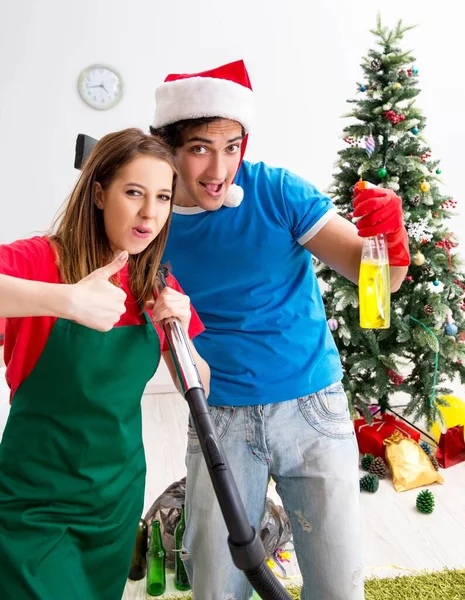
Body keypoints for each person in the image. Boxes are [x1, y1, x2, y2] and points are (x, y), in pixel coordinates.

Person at [150, 60, 410, 600]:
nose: (220, 167)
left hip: (312, 406)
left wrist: (387, 236)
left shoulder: (276, 191)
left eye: (232, 146)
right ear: (168, 147)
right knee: (217, 588)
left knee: (337, 587)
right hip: (219, 413)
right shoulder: (150, 219)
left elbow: (378, 284)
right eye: (200, 147)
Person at [0, 128, 210, 600]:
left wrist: (183, 341)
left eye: (161, 197)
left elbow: (203, 387)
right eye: (133, 193)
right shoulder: (41, 261)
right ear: (99, 193)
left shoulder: (155, 282)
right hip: (34, 503)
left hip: (114, 501)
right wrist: (64, 299)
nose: (149, 213)